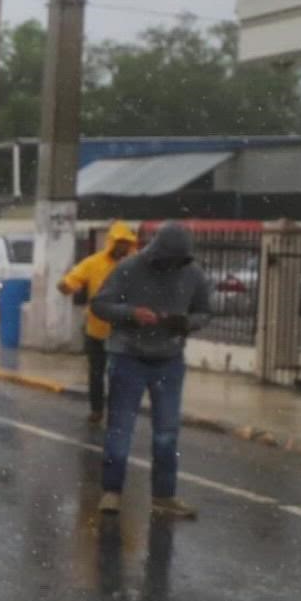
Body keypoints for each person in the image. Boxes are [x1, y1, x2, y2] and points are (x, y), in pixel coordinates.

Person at [90, 220, 212, 519]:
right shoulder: (129, 268)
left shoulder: (193, 274)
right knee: (120, 429)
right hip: (128, 356)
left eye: (177, 261)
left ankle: (164, 496)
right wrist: (132, 314)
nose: (171, 266)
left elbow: (204, 311)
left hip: (169, 359)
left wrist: (186, 322)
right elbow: (100, 305)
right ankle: (112, 492)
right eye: (166, 260)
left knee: (167, 433)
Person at [57, 221, 140, 424]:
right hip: (96, 329)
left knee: (119, 375)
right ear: (111, 242)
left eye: (126, 243)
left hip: (122, 331)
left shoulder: (135, 265)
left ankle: (117, 411)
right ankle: (97, 409)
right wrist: (66, 286)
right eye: (119, 242)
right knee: (96, 373)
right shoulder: (94, 263)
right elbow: (73, 280)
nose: (122, 247)